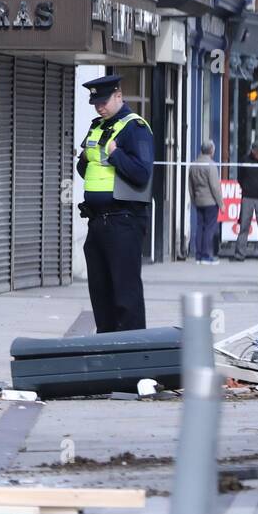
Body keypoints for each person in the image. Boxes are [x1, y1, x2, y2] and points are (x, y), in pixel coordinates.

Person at [76, 74, 154, 333]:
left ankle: (133, 353)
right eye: (96, 102)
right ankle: (107, 351)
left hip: (124, 221)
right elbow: (86, 168)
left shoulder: (135, 127)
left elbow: (142, 172)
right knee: (101, 293)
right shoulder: (97, 126)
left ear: (119, 96)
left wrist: (116, 154)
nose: (99, 107)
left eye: (104, 101)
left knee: (125, 294)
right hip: (97, 221)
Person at [188, 140, 221, 265]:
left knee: (200, 227)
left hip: (198, 200)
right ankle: (206, 256)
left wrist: (193, 199)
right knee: (209, 228)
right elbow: (215, 186)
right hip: (210, 201)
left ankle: (199, 255)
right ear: (211, 150)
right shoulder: (211, 165)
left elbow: (190, 184)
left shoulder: (194, 164)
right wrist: (221, 203)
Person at [234, 141, 258, 261]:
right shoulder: (245, 160)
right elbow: (240, 177)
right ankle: (240, 253)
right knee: (244, 225)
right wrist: (246, 188)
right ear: (254, 151)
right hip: (247, 197)